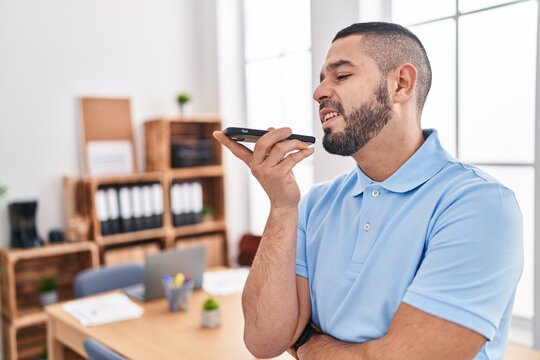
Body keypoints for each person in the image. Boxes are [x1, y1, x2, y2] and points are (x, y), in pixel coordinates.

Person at [213, 22, 523, 360]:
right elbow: (264, 340)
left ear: (400, 84)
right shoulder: (312, 204)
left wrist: (306, 344)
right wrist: (281, 208)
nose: (318, 93)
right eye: (320, 80)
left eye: (341, 76)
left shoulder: (480, 206)